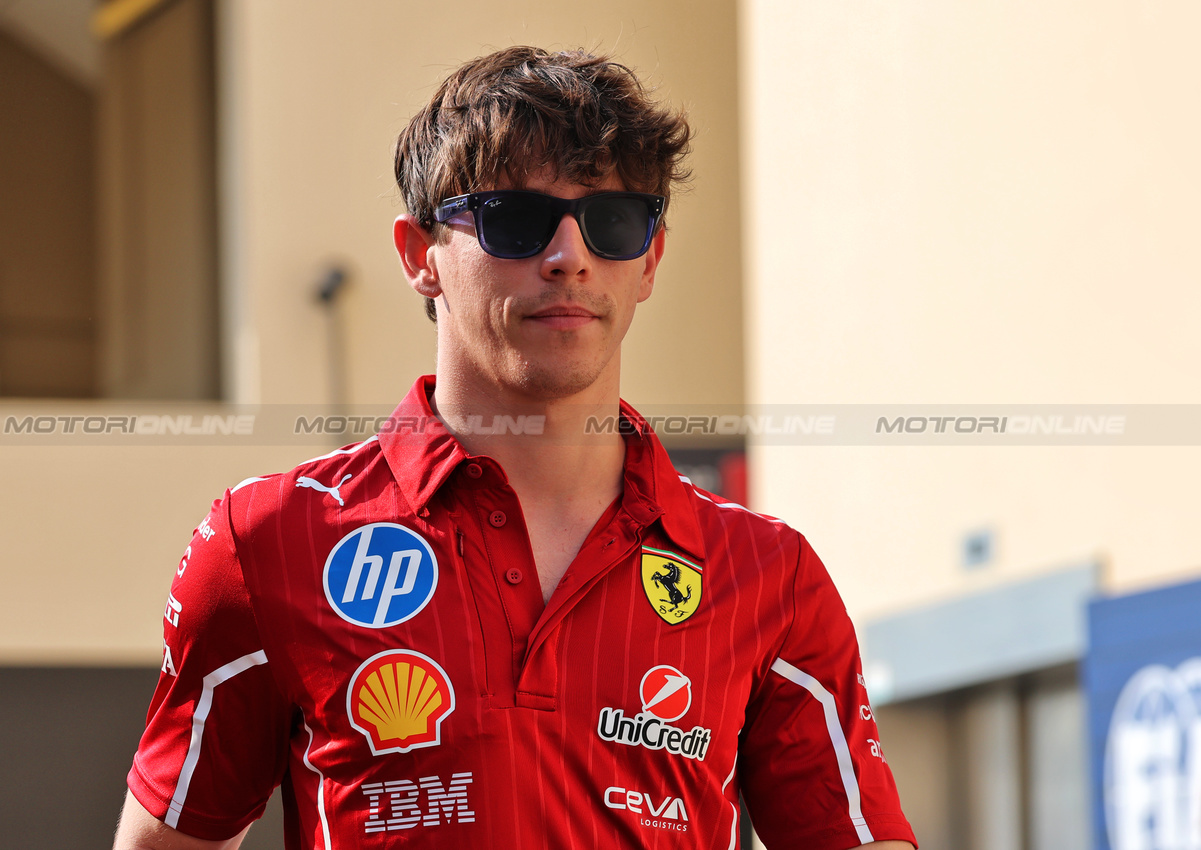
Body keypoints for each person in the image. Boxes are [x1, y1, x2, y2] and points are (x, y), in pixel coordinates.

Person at [114, 46, 917, 850]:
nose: (569, 258)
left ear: (649, 260)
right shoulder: (267, 539)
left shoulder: (768, 574)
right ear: (418, 256)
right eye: (514, 220)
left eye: (612, 222)